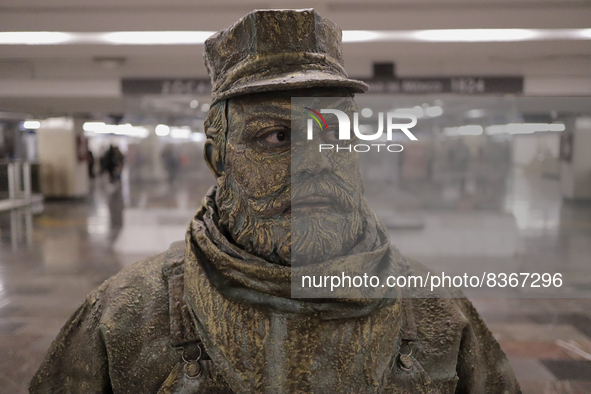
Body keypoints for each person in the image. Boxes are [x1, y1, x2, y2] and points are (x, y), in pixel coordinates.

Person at [30, 9, 520, 394]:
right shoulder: (123, 318)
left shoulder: (438, 312)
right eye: (277, 136)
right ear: (216, 158)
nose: (316, 163)